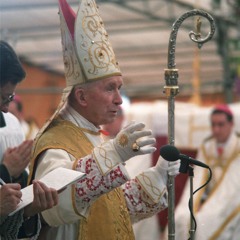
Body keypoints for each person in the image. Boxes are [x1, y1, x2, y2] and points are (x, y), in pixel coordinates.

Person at [27, 0, 180, 239]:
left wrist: (158, 175)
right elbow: (55, 208)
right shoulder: (56, 141)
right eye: (110, 88)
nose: (119, 100)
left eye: (120, 88)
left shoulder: (94, 135)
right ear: (82, 96)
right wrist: (114, 154)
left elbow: (113, 209)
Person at [0, 40, 59, 240]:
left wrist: (31, 207)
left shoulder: (10, 126)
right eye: (4, 98)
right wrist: (6, 171)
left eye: (10, 98)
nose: (6, 108)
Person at [173, 104, 240, 240]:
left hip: (232, 198)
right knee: (182, 216)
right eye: (213, 125)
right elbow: (197, 178)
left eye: (221, 125)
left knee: (206, 219)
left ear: (231, 124)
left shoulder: (237, 148)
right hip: (206, 197)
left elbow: (233, 186)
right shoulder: (207, 147)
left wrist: (208, 206)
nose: (216, 130)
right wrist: (197, 203)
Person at [103, 106, 162, 240]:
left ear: (121, 118)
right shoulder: (104, 138)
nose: (106, 126)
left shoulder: (136, 138)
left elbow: (133, 171)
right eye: (104, 122)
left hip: (135, 196)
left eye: (110, 121)